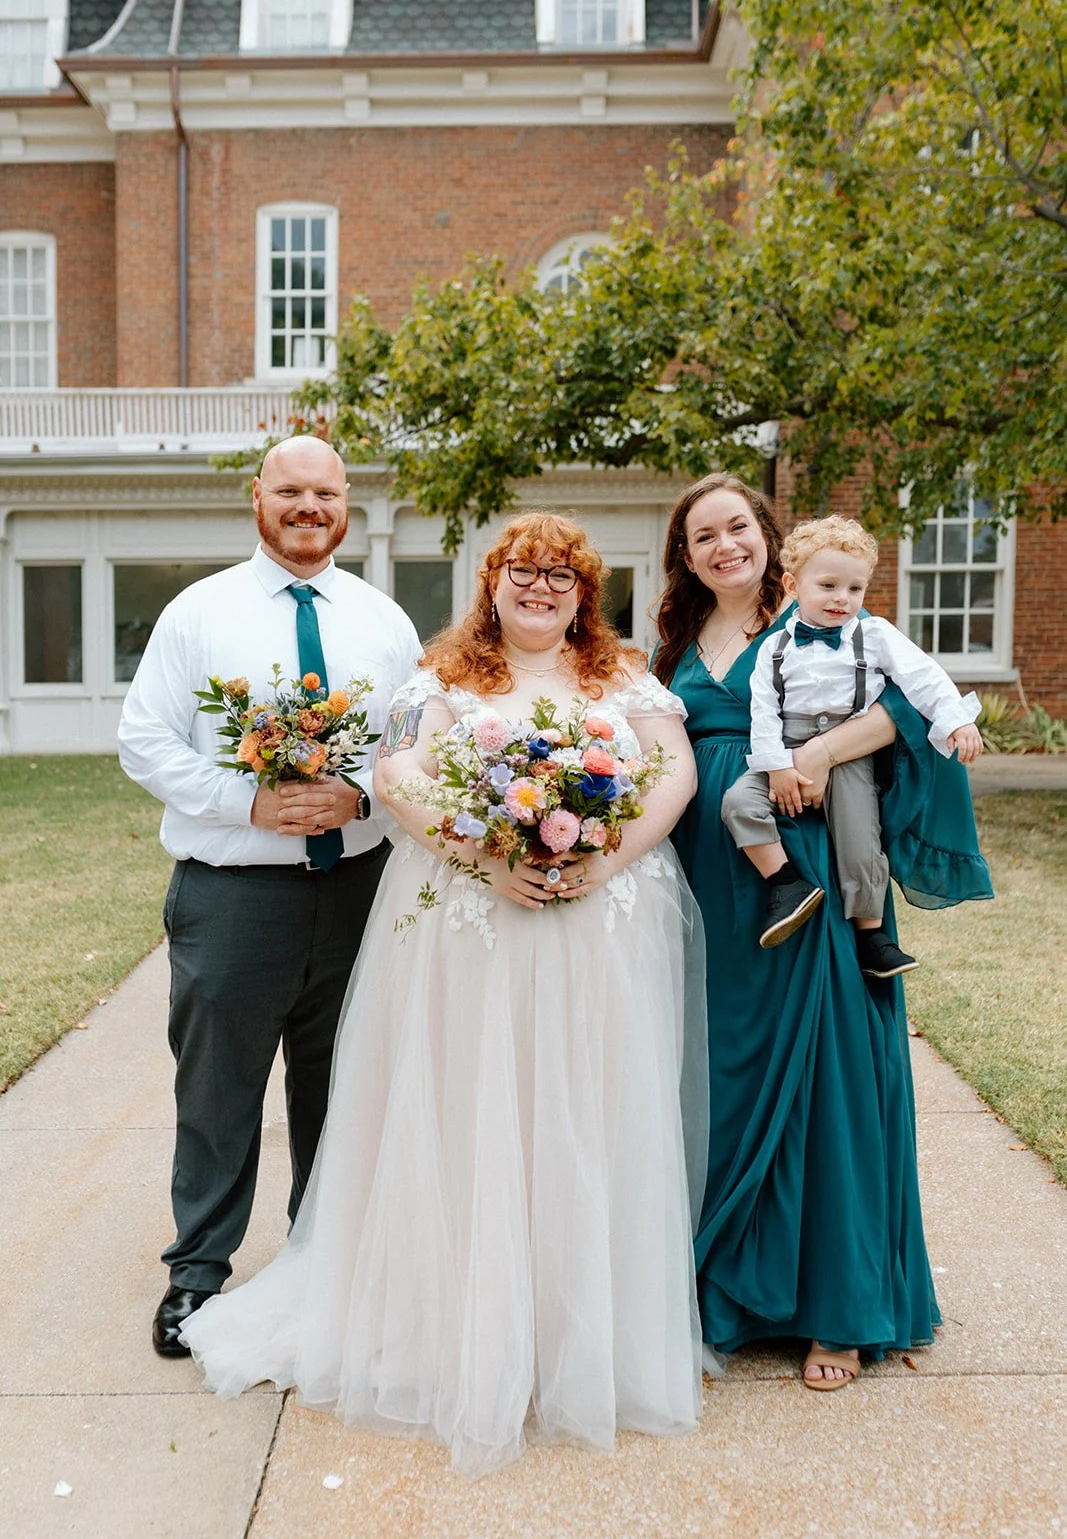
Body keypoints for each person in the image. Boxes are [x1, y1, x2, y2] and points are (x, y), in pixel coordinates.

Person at [180, 511, 709, 1475]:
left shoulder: (621, 675)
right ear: (492, 583)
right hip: (476, 918)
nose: (541, 588)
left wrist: (602, 860)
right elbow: (400, 774)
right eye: (522, 571)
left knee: (583, 1111)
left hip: (596, 922)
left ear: (584, 592)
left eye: (561, 575)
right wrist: (485, 853)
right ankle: (455, 1325)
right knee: (475, 1108)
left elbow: (672, 773)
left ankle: (570, 1332)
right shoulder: (445, 675)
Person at [657, 473, 991, 1392]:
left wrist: (815, 753)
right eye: (702, 538)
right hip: (714, 881)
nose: (724, 547)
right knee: (721, 1075)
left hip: (814, 861)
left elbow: (906, 707)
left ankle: (837, 1310)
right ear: (684, 557)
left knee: (833, 1073)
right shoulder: (681, 643)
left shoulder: (825, 606)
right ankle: (730, 1294)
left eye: (738, 529)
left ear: (769, 536)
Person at [118, 436, 421, 1359]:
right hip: (233, 895)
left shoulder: (384, 623)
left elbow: (412, 749)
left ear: (346, 504)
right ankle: (197, 1272)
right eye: (290, 491)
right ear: (259, 498)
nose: (308, 507)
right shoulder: (198, 613)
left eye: (325, 493)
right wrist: (247, 800)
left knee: (341, 1083)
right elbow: (145, 742)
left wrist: (365, 797)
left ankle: (319, 1261)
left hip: (357, 888)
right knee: (219, 1089)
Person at [721, 515, 983, 977]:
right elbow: (763, 712)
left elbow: (923, 677)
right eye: (828, 585)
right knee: (738, 803)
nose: (843, 599)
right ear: (793, 584)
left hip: (848, 752)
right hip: (784, 748)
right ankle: (786, 885)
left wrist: (957, 721)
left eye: (854, 589)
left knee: (860, 836)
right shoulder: (773, 648)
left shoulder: (873, 634)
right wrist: (776, 767)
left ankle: (871, 934)